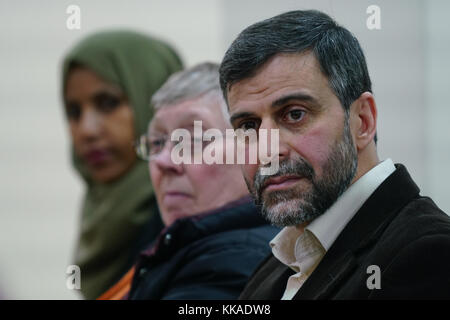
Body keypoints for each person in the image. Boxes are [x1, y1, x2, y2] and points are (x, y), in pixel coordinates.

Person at [219, 10, 450, 299]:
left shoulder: (429, 255)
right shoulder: (279, 263)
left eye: (294, 114)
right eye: (248, 126)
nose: (267, 151)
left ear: (362, 121)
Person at [126, 62, 279, 299]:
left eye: (192, 140)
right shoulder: (179, 245)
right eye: (157, 143)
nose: (164, 161)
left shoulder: (234, 259)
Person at [61, 30, 183, 299]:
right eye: (73, 112)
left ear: (157, 105)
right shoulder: (103, 217)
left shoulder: (183, 219)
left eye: (108, 103)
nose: (86, 130)